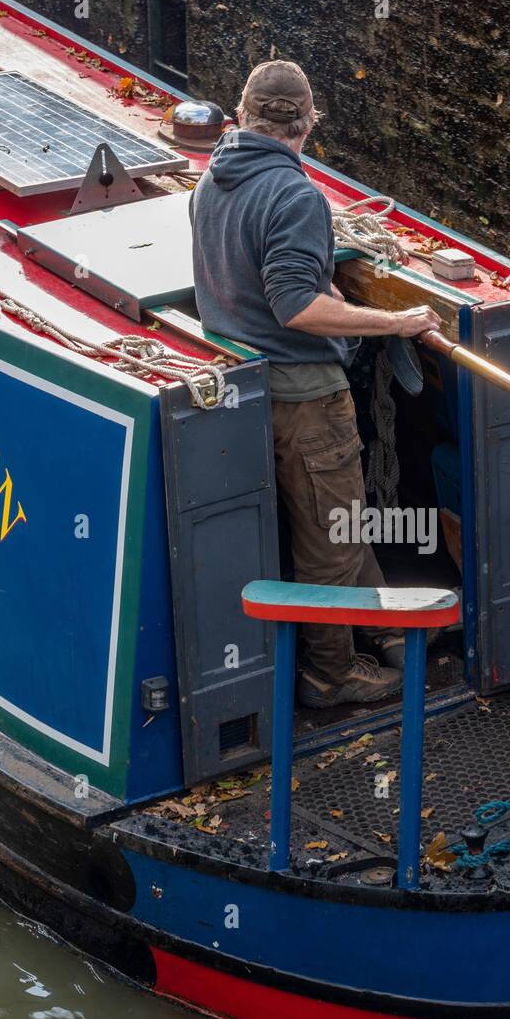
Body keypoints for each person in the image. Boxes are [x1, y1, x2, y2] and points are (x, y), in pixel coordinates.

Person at [190, 59, 442, 708]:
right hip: (304, 396)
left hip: (250, 385)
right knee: (331, 537)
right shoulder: (298, 196)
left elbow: (257, 272)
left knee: (343, 517)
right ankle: (332, 674)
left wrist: (317, 278)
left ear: (241, 115)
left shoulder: (212, 179)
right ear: (308, 122)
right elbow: (295, 305)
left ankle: (381, 626)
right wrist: (395, 320)